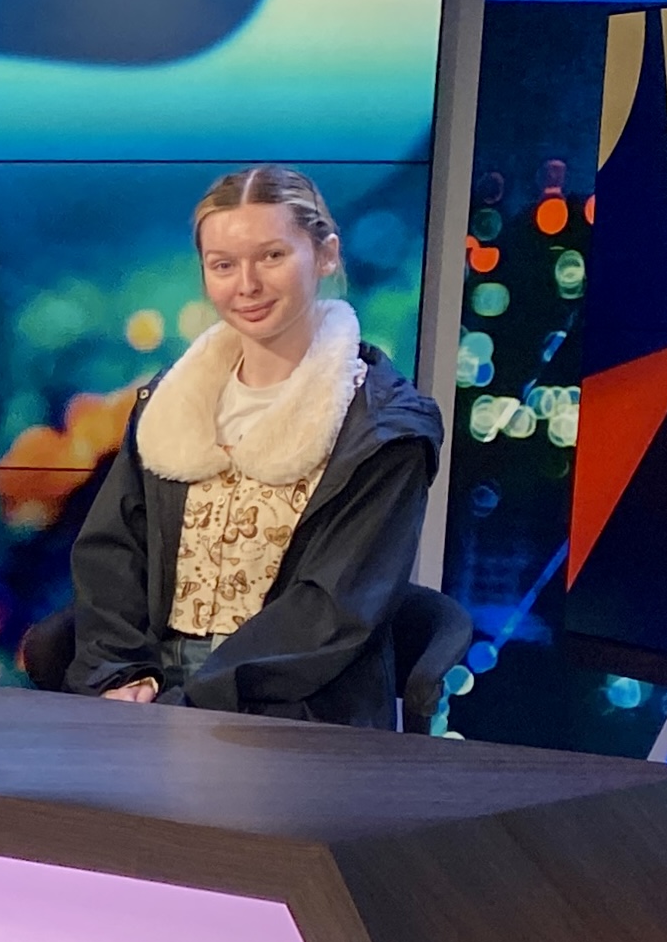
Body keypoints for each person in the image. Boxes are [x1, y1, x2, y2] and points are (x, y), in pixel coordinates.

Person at [63, 163, 444, 724]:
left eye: (271, 256)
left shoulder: (384, 428)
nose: (247, 285)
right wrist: (119, 673)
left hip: (295, 705)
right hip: (152, 688)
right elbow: (112, 551)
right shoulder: (167, 403)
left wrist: (185, 707)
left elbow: (330, 612)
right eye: (223, 265)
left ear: (326, 255)